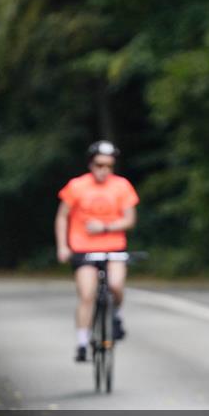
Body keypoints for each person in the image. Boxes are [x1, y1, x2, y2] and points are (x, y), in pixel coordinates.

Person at [55, 141, 139, 362]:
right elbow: (62, 216)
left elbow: (130, 220)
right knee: (87, 294)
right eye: (100, 165)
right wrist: (63, 246)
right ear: (91, 165)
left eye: (109, 166)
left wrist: (105, 227)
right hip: (83, 248)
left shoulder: (122, 186)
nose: (104, 170)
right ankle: (82, 343)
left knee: (116, 285)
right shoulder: (77, 186)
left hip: (113, 246)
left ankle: (116, 315)